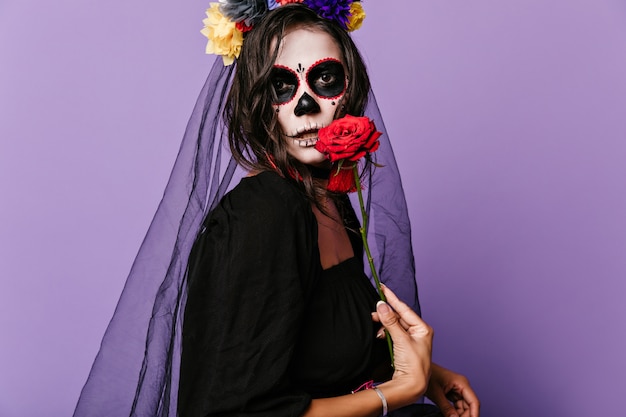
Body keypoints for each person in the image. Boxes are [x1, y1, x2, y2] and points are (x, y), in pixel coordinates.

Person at [74, 3, 479, 417]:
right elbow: (234, 411)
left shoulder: (327, 196)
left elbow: (327, 347)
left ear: (351, 89)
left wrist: (431, 376)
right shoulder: (262, 217)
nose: (304, 106)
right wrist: (398, 391)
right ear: (256, 102)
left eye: (323, 79)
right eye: (279, 87)